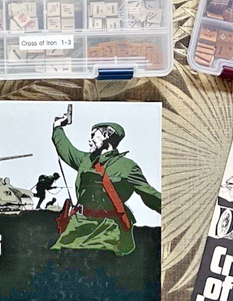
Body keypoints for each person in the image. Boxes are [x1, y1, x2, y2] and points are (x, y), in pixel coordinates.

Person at [51, 110, 160, 256]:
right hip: (77, 227)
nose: (89, 140)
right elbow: (66, 149)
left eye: (93, 135)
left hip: (106, 231)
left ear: (107, 135)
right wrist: (57, 127)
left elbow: (151, 195)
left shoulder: (127, 167)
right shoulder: (86, 160)